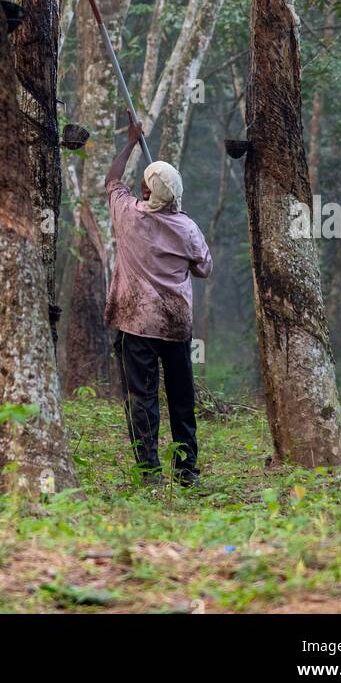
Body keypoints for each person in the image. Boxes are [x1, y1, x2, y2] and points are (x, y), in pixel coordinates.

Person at [104, 111, 212, 487]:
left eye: (145, 184)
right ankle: (187, 472)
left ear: (148, 192)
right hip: (175, 325)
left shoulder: (128, 216)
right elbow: (203, 269)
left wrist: (132, 141)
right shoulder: (187, 229)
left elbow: (112, 179)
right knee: (182, 400)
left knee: (142, 397)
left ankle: (149, 473)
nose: (140, 186)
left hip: (136, 325)